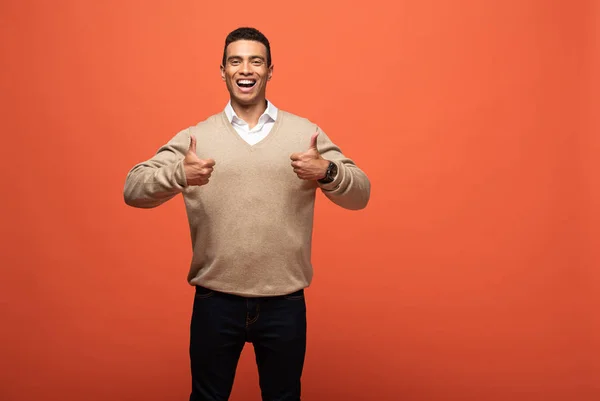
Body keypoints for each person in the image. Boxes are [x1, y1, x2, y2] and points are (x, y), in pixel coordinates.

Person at [123, 26, 370, 401]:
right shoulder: (197, 137)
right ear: (221, 70)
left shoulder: (306, 134)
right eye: (235, 61)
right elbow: (133, 189)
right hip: (215, 301)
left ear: (271, 71)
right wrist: (178, 174)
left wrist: (328, 172)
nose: (245, 68)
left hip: (284, 302)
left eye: (256, 61)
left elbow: (361, 194)